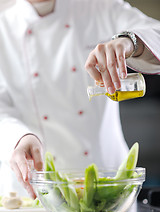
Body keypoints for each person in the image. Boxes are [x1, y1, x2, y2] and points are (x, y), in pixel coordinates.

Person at [0, 0, 160, 199]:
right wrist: (19, 138)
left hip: (109, 184)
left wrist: (130, 41)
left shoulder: (101, 7)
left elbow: (156, 33)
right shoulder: (3, 28)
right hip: (38, 189)